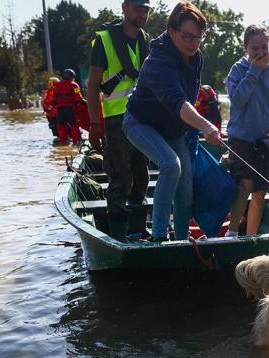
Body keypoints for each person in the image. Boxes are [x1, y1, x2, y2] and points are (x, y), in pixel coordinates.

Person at [123, 1, 221, 242]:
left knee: (185, 187)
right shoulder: (158, 61)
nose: (194, 43)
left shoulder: (195, 56)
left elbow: (189, 94)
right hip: (140, 122)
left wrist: (192, 130)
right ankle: (159, 238)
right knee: (170, 164)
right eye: (187, 36)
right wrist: (205, 125)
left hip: (173, 128)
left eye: (199, 37)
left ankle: (180, 240)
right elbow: (177, 102)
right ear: (171, 30)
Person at [87, 0, 152, 241]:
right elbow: (93, 86)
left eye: (146, 9)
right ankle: (117, 233)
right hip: (115, 121)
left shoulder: (146, 41)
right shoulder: (104, 40)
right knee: (120, 177)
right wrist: (95, 125)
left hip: (142, 119)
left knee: (141, 176)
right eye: (138, 8)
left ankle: (137, 228)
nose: (142, 13)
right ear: (124, 8)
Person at [224, 24, 269, 237]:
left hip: (265, 142)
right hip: (240, 139)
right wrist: (254, 71)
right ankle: (232, 233)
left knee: (260, 192)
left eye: (264, 47)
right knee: (245, 184)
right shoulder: (238, 70)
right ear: (246, 48)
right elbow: (237, 101)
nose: (261, 53)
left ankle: (252, 238)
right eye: (255, 48)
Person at [52, 69, 84, 145]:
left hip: (60, 110)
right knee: (74, 126)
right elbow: (78, 98)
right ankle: (77, 143)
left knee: (61, 126)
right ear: (72, 77)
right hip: (70, 109)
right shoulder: (74, 85)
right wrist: (86, 103)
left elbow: (53, 100)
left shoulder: (56, 85)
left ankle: (63, 144)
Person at [41, 77, 59, 142]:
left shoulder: (59, 91)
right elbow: (43, 102)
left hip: (60, 114)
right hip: (51, 115)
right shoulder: (46, 92)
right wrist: (47, 109)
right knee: (55, 130)